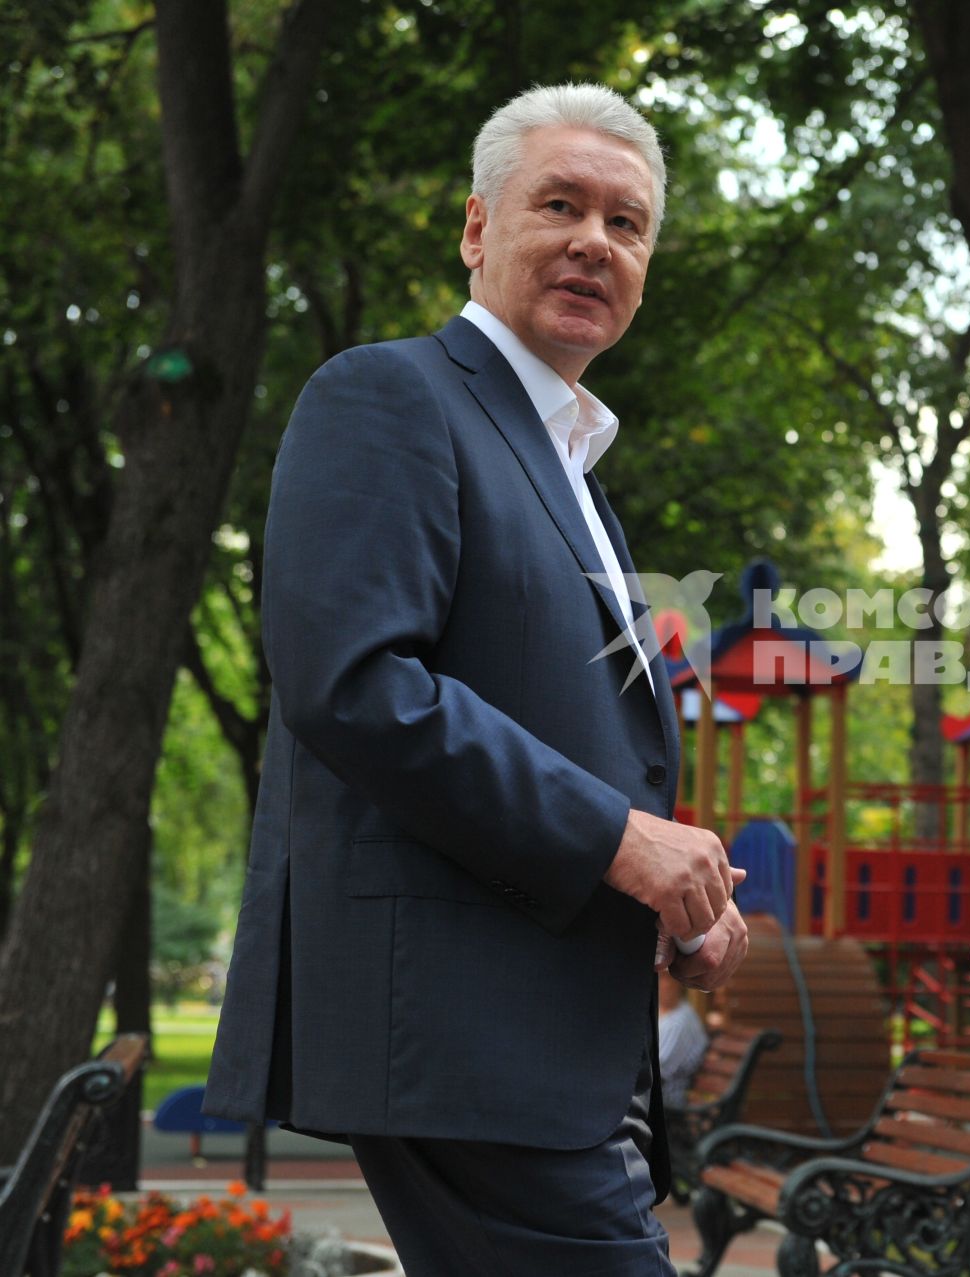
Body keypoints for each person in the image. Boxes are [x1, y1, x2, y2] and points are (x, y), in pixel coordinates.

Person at [203, 84, 749, 1275]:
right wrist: (622, 840)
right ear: (475, 229)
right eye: (559, 204)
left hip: (541, 1040)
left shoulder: (571, 461)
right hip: (456, 1030)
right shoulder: (388, 394)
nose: (594, 241)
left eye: (628, 223)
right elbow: (358, 684)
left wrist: (661, 893)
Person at [656, 979, 710, 1109]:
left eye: (667, 979)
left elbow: (657, 1071)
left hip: (667, 1103)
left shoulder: (679, 1022)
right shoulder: (665, 1014)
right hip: (656, 1098)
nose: (665, 984)